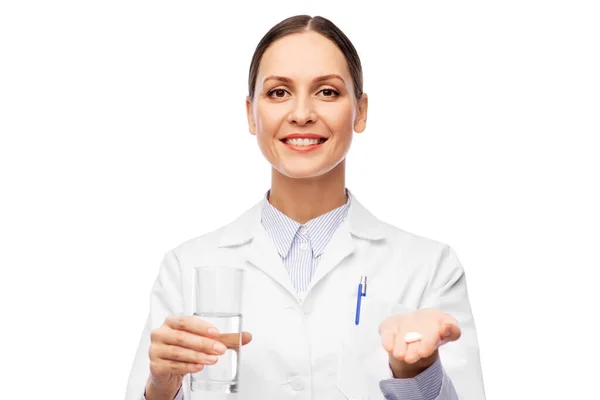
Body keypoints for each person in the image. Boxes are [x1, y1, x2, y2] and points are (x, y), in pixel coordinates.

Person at [125, 14, 486, 400]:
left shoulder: (429, 268)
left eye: (327, 92)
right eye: (278, 92)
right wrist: (162, 387)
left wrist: (417, 372)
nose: (301, 113)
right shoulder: (186, 267)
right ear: (251, 113)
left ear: (360, 111)